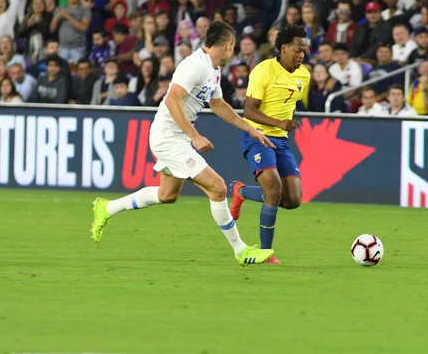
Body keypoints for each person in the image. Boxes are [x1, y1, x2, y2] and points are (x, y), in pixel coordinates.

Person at [91, 21, 275, 266]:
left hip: (176, 137)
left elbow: (219, 105)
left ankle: (107, 208)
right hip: (169, 137)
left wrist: (249, 128)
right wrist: (195, 136)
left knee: (167, 195)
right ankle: (241, 250)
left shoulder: (213, 69)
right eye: (233, 48)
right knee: (218, 187)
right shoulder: (195, 65)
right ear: (229, 45)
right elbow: (173, 101)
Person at [228, 25, 311, 264]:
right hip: (257, 135)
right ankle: (266, 252)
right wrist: (279, 122)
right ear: (283, 48)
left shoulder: (303, 75)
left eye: (304, 51)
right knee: (273, 190)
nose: (301, 55)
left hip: (280, 140)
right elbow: (249, 110)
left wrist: (283, 126)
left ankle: (240, 191)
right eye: (297, 50)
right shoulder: (263, 70)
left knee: (293, 200)